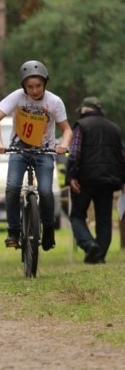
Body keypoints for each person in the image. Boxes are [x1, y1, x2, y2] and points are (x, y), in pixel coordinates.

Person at [0, 60, 72, 251]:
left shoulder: (54, 102)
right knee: (12, 187)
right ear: (23, 86)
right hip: (19, 150)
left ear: (45, 84)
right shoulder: (18, 97)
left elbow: (67, 129)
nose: (34, 91)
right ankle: (13, 230)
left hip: (44, 151)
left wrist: (63, 145)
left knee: (45, 191)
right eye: (30, 87)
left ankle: (49, 228)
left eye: (38, 86)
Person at [66, 97, 125, 264]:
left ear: (84, 110)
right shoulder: (114, 128)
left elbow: (75, 153)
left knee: (77, 215)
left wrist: (71, 176)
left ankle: (89, 244)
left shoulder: (81, 126)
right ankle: (99, 256)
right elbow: (122, 156)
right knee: (104, 220)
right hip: (108, 180)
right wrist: (123, 181)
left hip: (84, 180)